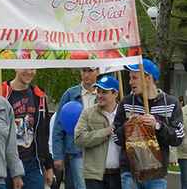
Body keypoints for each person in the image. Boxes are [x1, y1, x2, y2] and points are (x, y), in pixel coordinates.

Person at [112, 59, 184, 188]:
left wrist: (158, 126)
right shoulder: (126, 103)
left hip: (157, 172)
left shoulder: (171, 103)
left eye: (134, 78)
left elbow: (178, 137)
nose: (130, 82)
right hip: (130, 171)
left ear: (149, 78)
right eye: (130, 78)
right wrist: (128, 127)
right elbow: (115, 137)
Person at [0, 69, 53, 189]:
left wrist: (48, 165)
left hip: (32, 164)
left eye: (32, 68)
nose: (29, 72)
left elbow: (43, 134)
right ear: (16, 67)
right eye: (25, 67)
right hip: (5, 164)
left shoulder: (39, 96)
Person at [52, 67, 99, 189]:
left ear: (98, 72)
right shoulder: (70, 94)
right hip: (77, 149)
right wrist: (57, 155)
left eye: (90, 71)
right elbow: (58, 125)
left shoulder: (103, 93)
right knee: (81, 185)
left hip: (99, 149)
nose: (86, 74)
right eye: (84, 71)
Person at [74, 75, 121, 189]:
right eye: (98, 91)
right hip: (94, 176)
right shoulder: (87, 113)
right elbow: (79, 139)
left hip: (121, 175)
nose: (99, 95)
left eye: (104, 92)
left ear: (115, 94)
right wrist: (105, 132)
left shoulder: (123, 114)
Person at [177, 104, 187, 189]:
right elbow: (175, 133)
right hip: (184, 154)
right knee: (186, 181)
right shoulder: (181, 112)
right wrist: (172, 157)